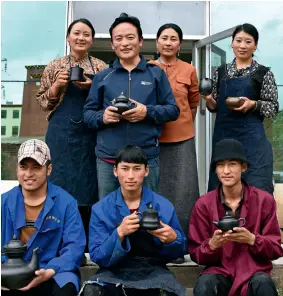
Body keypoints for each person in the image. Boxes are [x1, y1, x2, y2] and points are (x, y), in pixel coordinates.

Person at [83, 13, 180, 199]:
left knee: (147, 215)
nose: (125, 43)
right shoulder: (102, 77)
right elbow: (87, 114)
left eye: (130, 37)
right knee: (108, 216)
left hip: (146, 161)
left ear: (141, 41)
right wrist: (102, 117)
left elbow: (172, 110)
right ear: (112, 44)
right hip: (108, 160)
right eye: (118, 39)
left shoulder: (156, 74)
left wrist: (147, 112)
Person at [79, 145, 187, 296]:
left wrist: (172, 239)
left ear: (146, 171)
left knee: (168, 292)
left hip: (154, 270)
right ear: (115, 171)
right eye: (125, 168)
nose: (130, 176)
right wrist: (120, 233)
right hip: (113, 271)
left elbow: (180, 250)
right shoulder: (101, 209)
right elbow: (97, 256)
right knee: (92, 291)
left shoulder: (163, 205)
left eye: (137, 169)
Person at [36, 18, 107, 235]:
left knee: (90, 185)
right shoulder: (54, 66)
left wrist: (92, 86)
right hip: (61, 135)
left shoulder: (102, 68)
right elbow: (42, 103)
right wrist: (57, 85)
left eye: (86, 34)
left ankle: (86, 241)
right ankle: (58, 237)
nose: (81, 38)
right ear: (68, 37)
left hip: (91, 135)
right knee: (60, 183)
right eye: (76, 33)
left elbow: (109, 102)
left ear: (92, 40)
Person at [188, 139, 283, 296]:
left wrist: (252, 239)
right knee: (205, 284)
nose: (226, 171)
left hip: (253, 272)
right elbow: (195, 252)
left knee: (263, 284)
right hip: (220, 271)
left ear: (243, 167)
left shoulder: (263, 200)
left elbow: (275, 249)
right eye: (220, 165)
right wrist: (211, 245)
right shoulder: (204, 204)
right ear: (216, 170)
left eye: (232, 164)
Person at [1, 139, 86, 296]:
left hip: (52, 272)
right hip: (8, 272)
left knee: (66, 288)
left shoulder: (66, 203)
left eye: (36, 167)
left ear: (49, 169)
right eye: (23, 167)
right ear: (17, 169)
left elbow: (74, 247)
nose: (28, 174)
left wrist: (50, 270)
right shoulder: (3, 202)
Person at [202, 23, 279, 194]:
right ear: (232, 43)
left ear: (255, 45)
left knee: (256, 187)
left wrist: (253, 104)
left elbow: (273, 107)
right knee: (221, 187)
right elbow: (214, 107)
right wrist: (208, 99)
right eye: (238, 41)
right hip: (224, 137)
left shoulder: (263, 73)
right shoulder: (220, 72)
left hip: (253, 140)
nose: (242, 46)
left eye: (248, 41)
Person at [149, 23, 200, 234]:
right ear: (157, 42)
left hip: (182, 139)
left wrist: (185, 124)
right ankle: (156, 239)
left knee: (184, 192)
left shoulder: (189, 69)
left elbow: (194, 103)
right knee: (156, 190)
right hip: (153, 139)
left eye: (173, 39)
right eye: (164, 38)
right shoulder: (148, 68)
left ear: (179, 44)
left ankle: (183, 240)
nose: (168, 43)